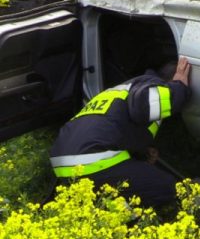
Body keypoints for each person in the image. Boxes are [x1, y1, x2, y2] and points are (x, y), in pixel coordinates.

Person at [49, 57, 192, 207]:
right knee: (167, 187)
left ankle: (119, 223)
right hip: (92, 160)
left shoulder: (119, 91)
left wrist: (141, 152)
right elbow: (144, 107)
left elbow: (115, 129)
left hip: (63, 164)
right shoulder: (149, 85)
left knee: (118, 198)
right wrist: (179, 87)